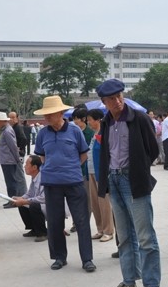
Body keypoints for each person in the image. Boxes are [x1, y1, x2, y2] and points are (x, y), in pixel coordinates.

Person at [96, 79, 161, 287]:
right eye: (111, 99)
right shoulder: (106, 122)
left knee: (145, 236)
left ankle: (152, 285)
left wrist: (139, 169)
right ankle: (129, 280)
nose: (117, 101)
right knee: (124, 236)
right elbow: (106, 152)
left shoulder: (139, 118)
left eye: (119, 96)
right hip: (113, 179)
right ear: (104, 102)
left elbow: (153, 149)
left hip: (133, 179)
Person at [34, 96, 95, 272]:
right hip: (51, 183)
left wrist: (71, 167)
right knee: (54, 222)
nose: (46, 117)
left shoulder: (74, 131)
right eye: (45, 114)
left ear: (60, 113)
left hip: (74, 181)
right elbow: (42, 156)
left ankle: (87, 259)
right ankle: (59, 257)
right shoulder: (42, 133)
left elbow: (83, 154)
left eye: (50, 114)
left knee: (81, 221)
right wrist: (52, 168)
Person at [85, 108, 115, 242]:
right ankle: (100, 229)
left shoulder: (105, 133)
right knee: (95, 203)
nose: (88, 123)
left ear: (98, 120)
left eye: (90, 120)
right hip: (91, 171)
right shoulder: (94, 134)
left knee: (104, 203)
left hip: (101, 173)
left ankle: (108, 230)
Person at [0, 111, 27, 207]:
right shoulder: (6, 130)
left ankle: (13, 201)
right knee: (10, 182)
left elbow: (13, 147)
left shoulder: (7, 131)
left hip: (9, 161)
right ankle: (11, 200)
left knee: (11, 182)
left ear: (1, 121)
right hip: (6, 160)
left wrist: (17, 159)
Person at [11, 155, 48, 243]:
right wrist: (20, 198)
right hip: (41, 203)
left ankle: (43, 233)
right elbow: (29, 193)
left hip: (49, 205)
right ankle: (34, 229)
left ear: (34, 167)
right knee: (22, 205)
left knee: (34, 206)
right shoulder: (35, 177)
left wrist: (25, 201)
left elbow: (43, 198)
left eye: (27, 164)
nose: (24, 166)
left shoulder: (43, 178)